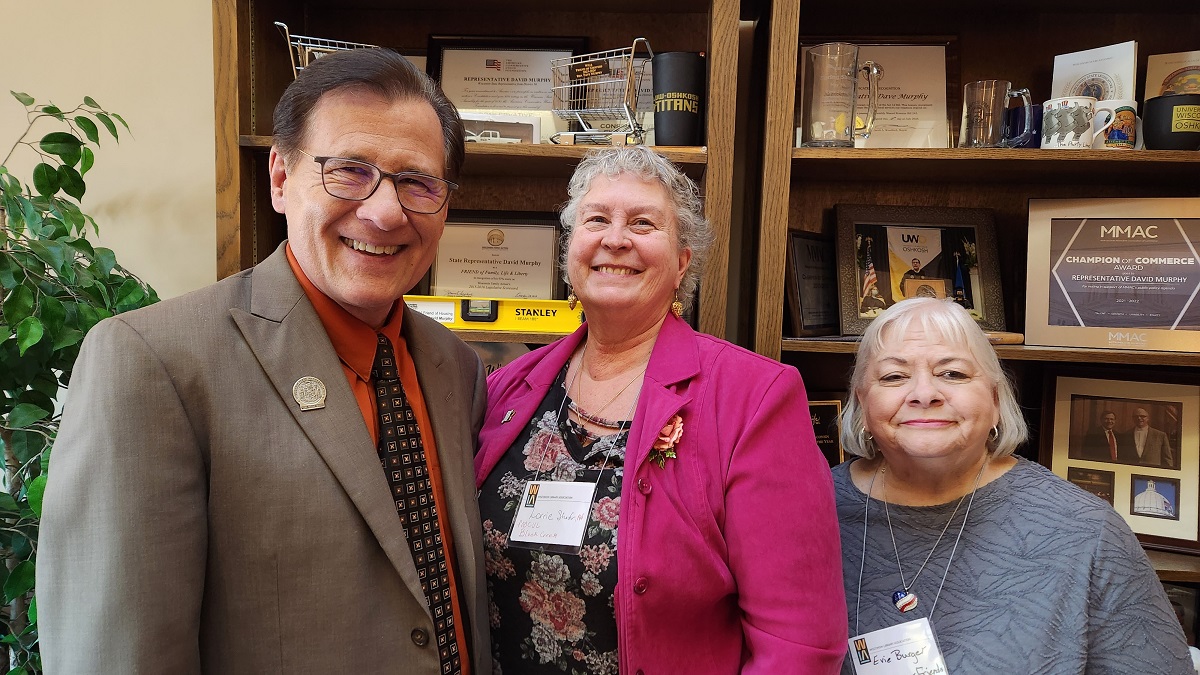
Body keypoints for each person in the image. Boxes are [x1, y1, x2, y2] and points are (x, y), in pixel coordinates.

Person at [38, 49, 490, 673]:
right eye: (349, 171)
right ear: (280, 178)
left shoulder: (456, 369)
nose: (385, 212)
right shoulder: (155, 364)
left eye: (417, 182)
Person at [474, 146, 846, 673]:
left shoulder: (753, 397)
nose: (615, 239)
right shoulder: (506, 388)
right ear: (569, 250)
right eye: (596, 219)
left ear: (682, 262)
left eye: (644, 223)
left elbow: (799, 643)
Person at [835, 297, 1193, 674]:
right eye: (894, 376)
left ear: (994, 401)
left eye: (953, 374)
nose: (925, 394)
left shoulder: (1084, 528)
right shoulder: (806, 510)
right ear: (862, 402)